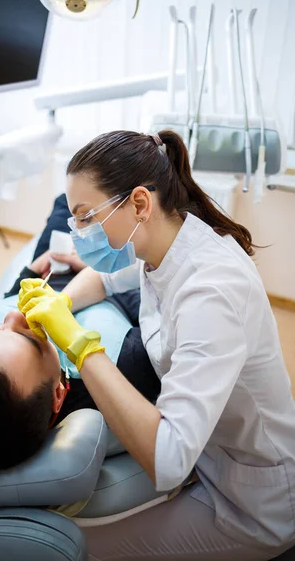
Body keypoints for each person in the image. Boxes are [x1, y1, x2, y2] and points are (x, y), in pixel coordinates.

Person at [20, 130, 295, 560]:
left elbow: (168, 461)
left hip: (253, 502)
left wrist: (77, 344)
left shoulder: (211, 292)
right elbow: (109, 276)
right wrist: (60, 301)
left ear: (140, 204)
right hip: (208, 455)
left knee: (70, 548)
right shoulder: (166, 242)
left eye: (86, 217)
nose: (77, 233)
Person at [0, 194, 160, 473]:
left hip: (49, 271)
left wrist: (30, 271)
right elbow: (155, 277)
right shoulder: (129, 363)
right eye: (30, 338)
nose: (15, 316)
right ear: (57, 394)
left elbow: (6, 304)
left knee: (66, 201)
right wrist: (103, 267)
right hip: (105, 294)